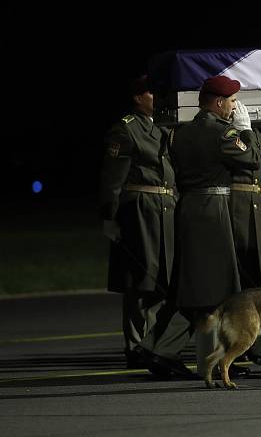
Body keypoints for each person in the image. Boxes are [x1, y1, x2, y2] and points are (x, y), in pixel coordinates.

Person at [169, 75, 261, 376]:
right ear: (219, 103)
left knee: (198, 282)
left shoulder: (182, 132)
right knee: (219, 284)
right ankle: (209, 358)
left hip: (189, 207)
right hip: (213, 209)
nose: (235, 108)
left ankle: (208, 356)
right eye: (232, 102)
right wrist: (246, 131)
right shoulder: (222, 133)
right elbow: (250, 160)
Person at [99, 75, 177, 369]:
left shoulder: (164, 126)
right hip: (140, 212)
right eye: (152, 93)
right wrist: (109, 217)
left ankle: (152, 342)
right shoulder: (126, 130)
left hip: (165, 209)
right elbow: (112, 179)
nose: (158, 98)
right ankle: (135, 346)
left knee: (163, 280)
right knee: (141, 279)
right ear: (138, 97)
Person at [229, 101, 261, 363]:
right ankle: (240, 343)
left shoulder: (253, 133)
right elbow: (250, 158)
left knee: (257, 274)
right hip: (239, 207)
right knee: (242, 273)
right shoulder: (232, 134)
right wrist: (244, 132)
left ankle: (254, 344)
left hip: (256, 205)